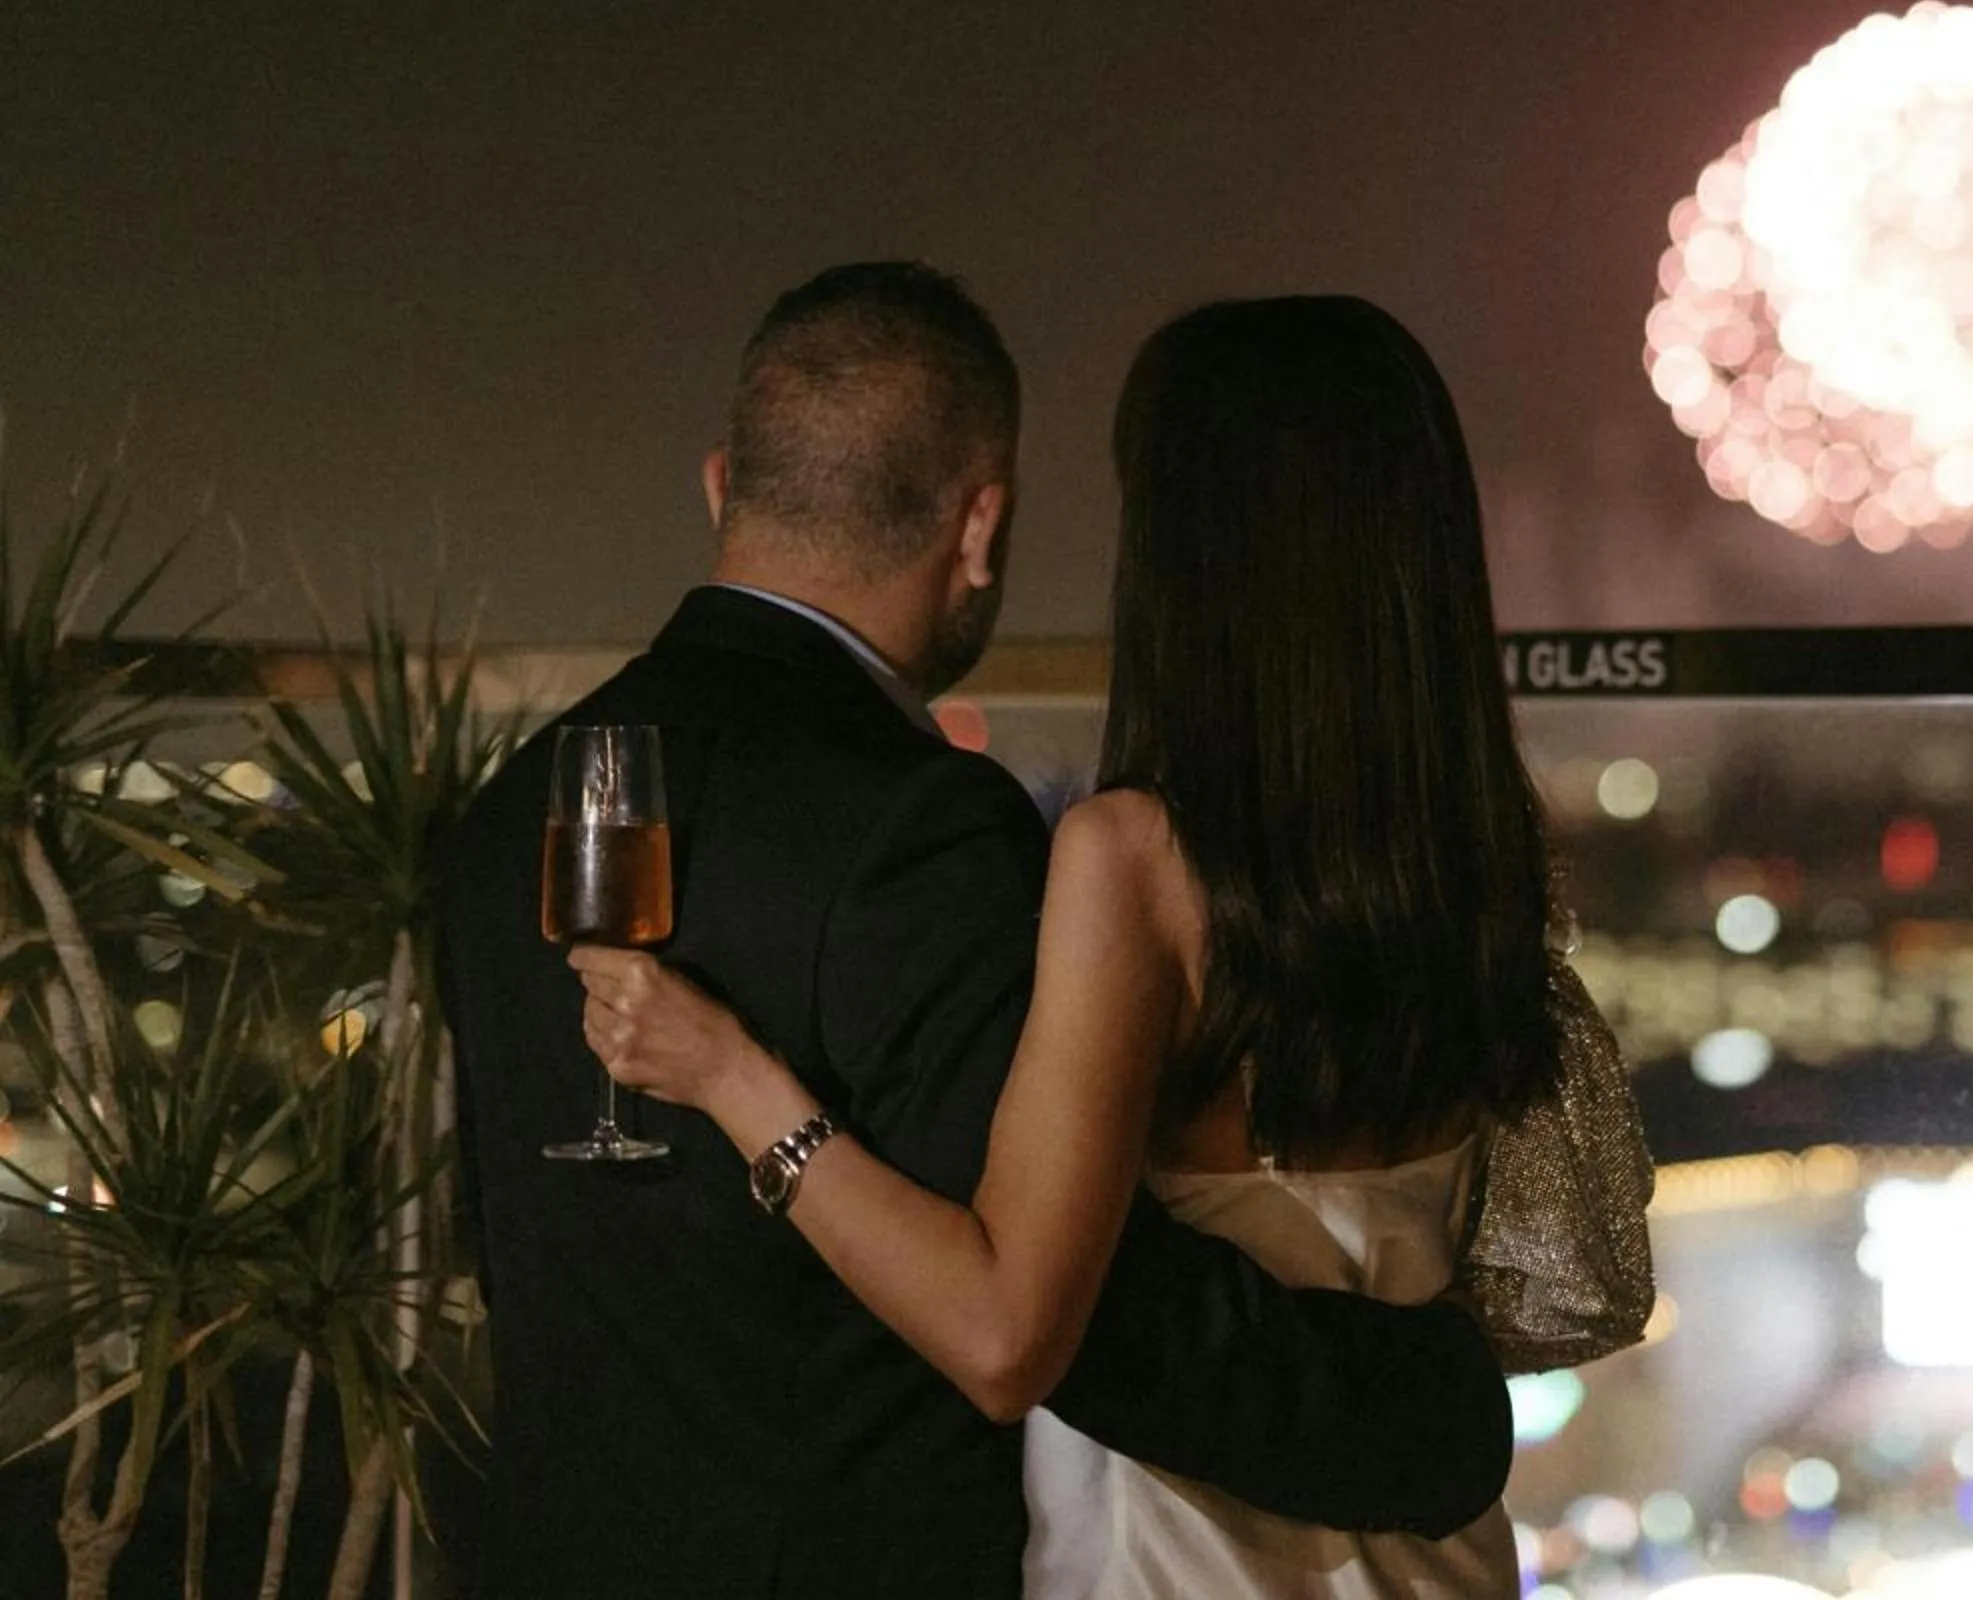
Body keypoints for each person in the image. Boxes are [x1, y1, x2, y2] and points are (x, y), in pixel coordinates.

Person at [437, 267, 1512, 1600]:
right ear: (983, 526)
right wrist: (1435, 1411)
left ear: (726, 486)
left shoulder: (505, 818)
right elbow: (1085, 1321)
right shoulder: (931, 828)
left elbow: (517, 1262)